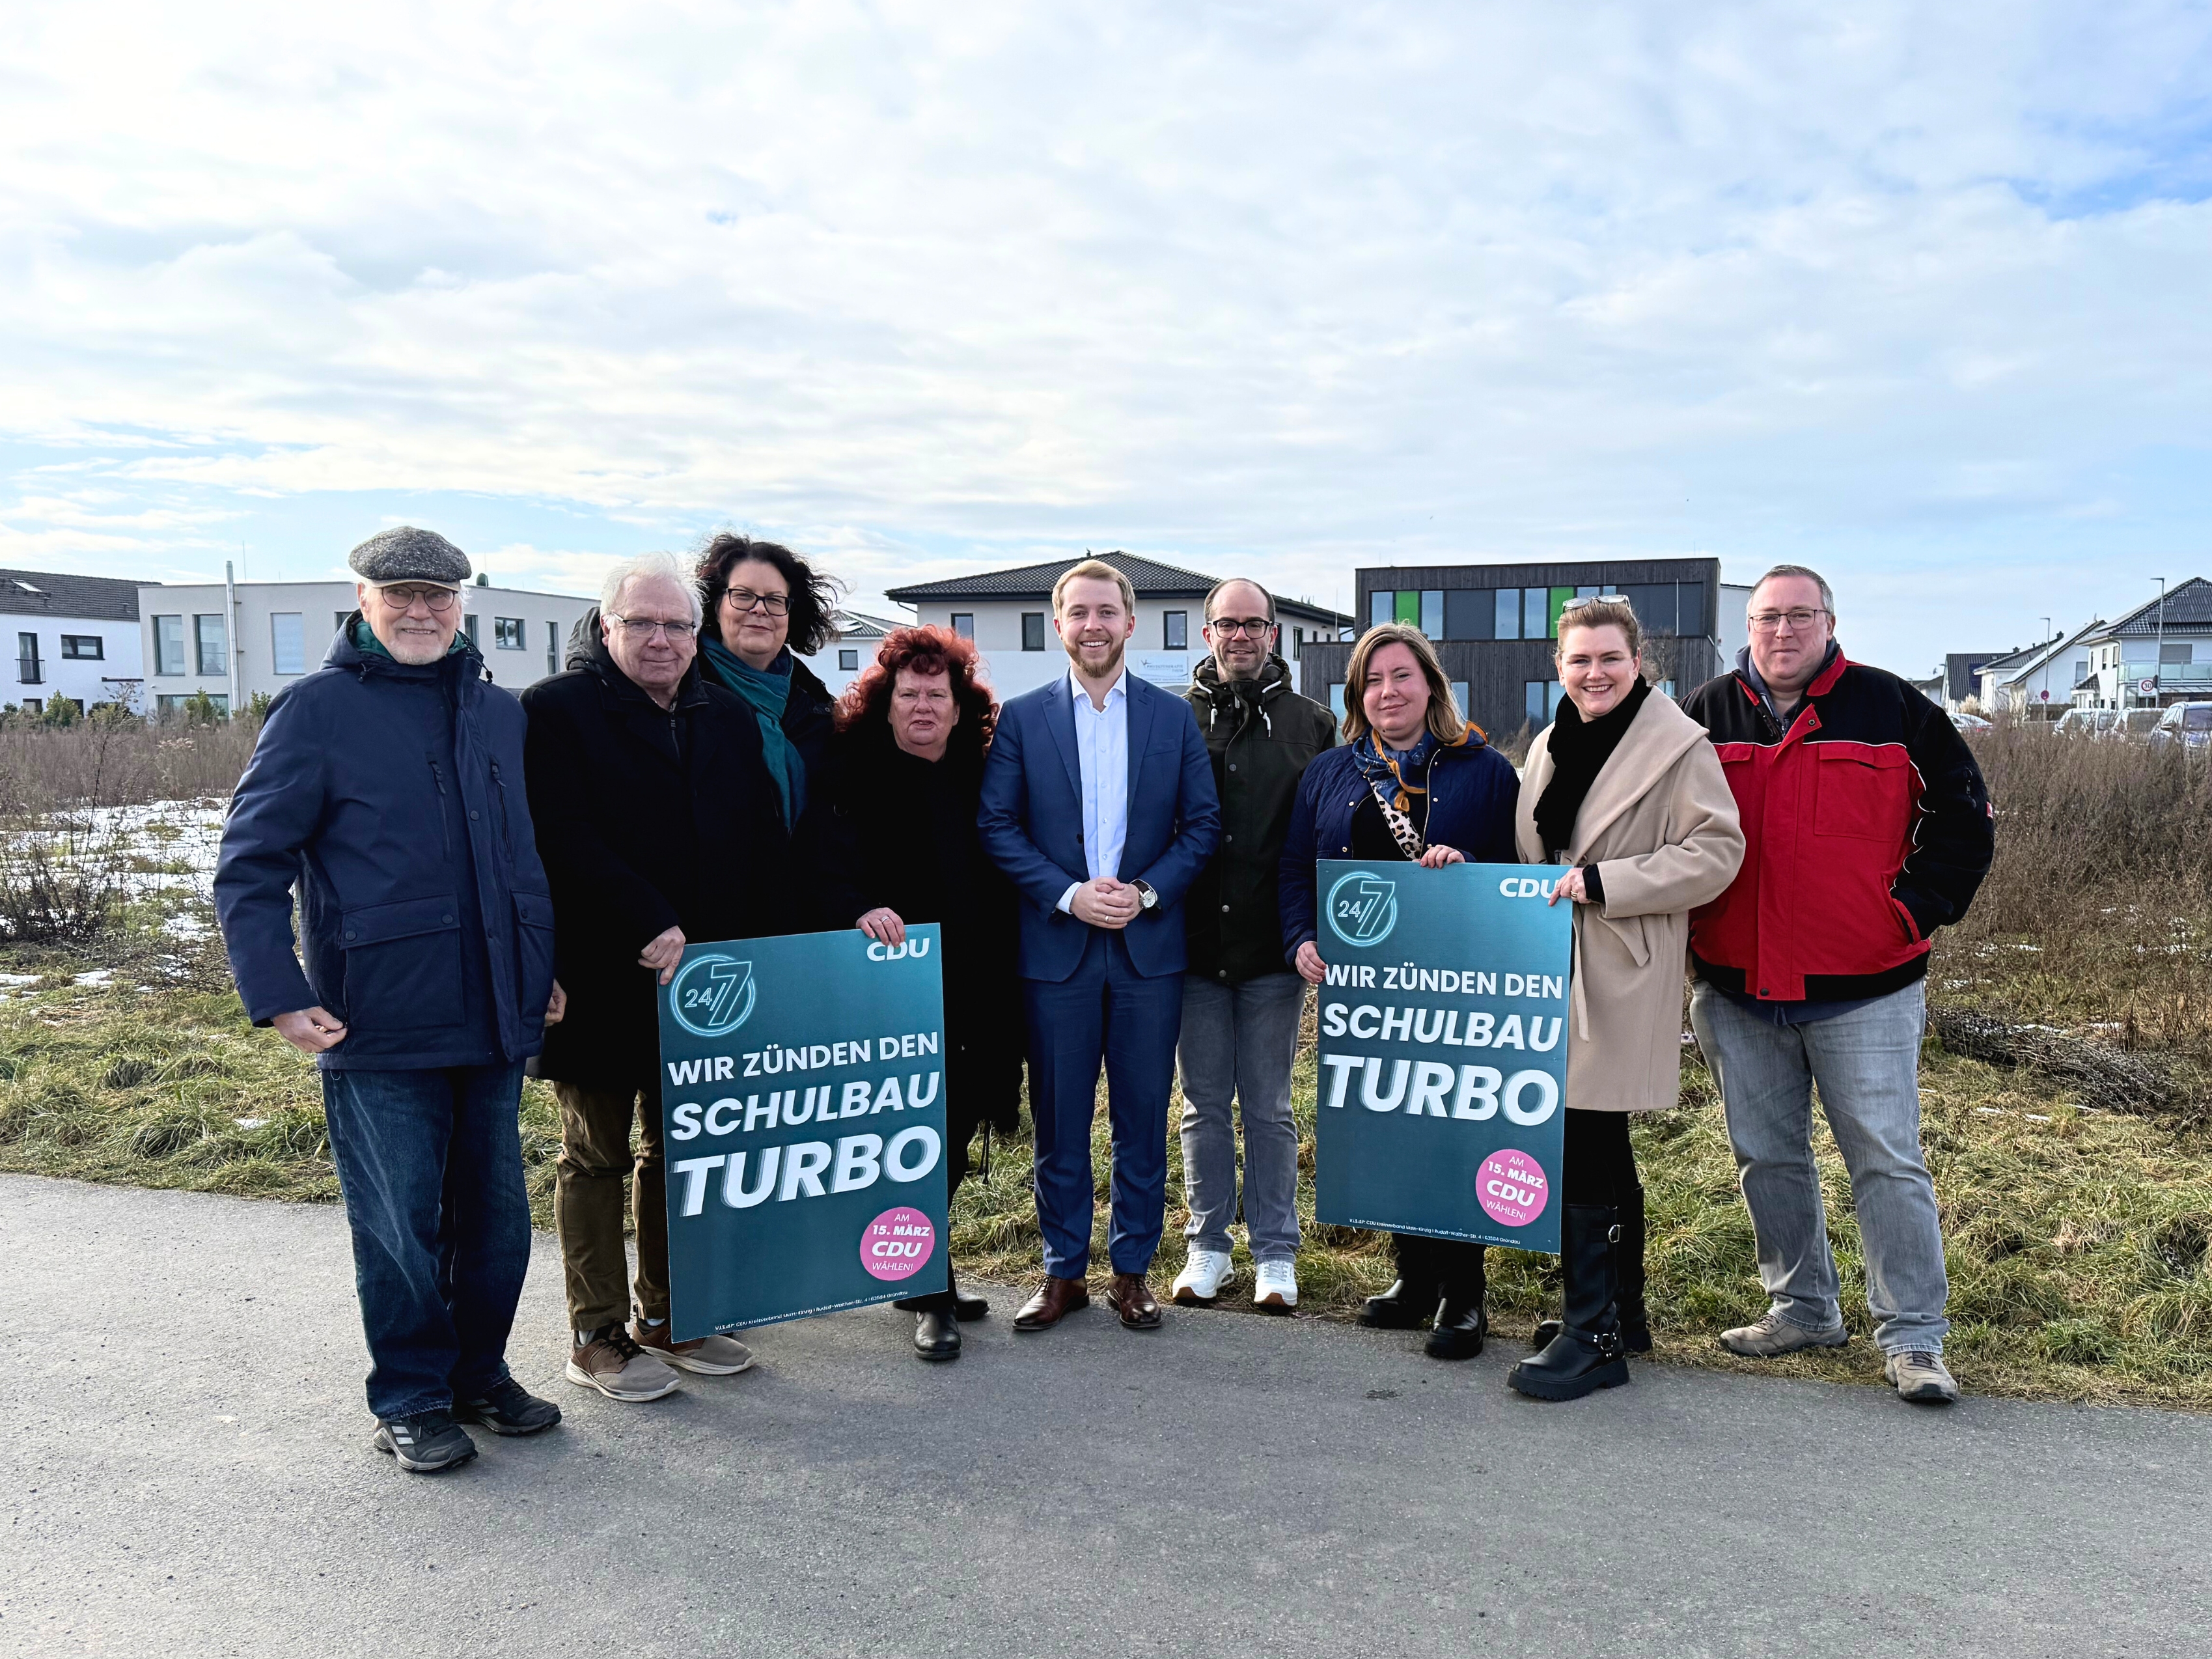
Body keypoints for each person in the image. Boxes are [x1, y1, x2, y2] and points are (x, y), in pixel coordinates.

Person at [215, 527, 566, 1474]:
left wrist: (545, 967)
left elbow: (519, 861)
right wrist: (279, 994)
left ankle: (478, 1375)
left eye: (438, 598)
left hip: (495, 1008)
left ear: (463, 606)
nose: (420, 612)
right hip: (377, 1014)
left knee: (496, 1217)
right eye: (399, 595)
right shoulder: (316, 711)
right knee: (400, 1221)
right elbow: (249, 867)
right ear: (362, 601)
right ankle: (409, 1395)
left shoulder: (499, 713)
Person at [1683, 565, 1994, 1405]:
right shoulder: (1700, 715)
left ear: (1828, 622)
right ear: (1744, 629)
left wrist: (1910, 912)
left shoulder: (1891, 707)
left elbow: (1965, 814)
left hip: (1865, 986)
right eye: (1765, 618)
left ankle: (1914, 1338)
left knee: (1886, 1162)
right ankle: (1801, 1307)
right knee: (1766, 1158)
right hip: (1737, 986)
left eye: (1798, 616)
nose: (1781, 632)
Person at [522, 553, 801, 1402]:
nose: (660, 640)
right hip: (598, 974)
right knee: (596, 1155)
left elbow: (758, 839)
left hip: (703, 983)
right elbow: (559, 835)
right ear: (604, 627)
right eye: (640, 623)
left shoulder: (717, 717)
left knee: (679, 1153)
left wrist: (773, 952)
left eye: (676, 625)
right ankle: (596, 1333)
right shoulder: (555, 712)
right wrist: (643, 915)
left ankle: (669, 1315)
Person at [1506, 598, 1745, 1401]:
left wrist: (1609, 882)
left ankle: (1593, 1333)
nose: (1594, 672)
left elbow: (1717, 850)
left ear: (1636, 660)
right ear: (1558, 667)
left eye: (1608, 658)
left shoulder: (1676, 744)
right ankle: (1616, 1312)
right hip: (1554, 960)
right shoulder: (1548, 743)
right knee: (1591, 1134)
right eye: (1578, 660)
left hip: (1619, 955)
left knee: (1584, 1133)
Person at [977, 559, 1221, 1333]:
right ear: (1059, 625)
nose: (1093, 624)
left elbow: (1203, 825)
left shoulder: (1170, 715)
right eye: (1077, 612)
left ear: (1129, 622)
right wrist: (1067, 892)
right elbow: (996, 824)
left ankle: (1130, 1271)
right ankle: (1060, 1272)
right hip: (1056, 949)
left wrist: (1144, 892)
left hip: (1148, 948)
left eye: (1106, 611)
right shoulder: (1021, 718)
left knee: (1143, 1117)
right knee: (1058, 1119)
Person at [1280, 622, 1518, 1360]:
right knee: (1394, 1122)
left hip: (1457, 981)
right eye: (1372, 680)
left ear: (1430, 684)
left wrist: (1468, 862)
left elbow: (1516, 872)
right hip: (1369, 987)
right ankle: (1412, 1278)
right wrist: (1301, 940)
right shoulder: (1329, 772)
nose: (1388, 691)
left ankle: (1463, 1293)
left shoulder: (1483, 769)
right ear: (1357, 694)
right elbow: (1295, 868)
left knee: (1455, 1122)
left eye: (1401, 676)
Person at [814, 626, 1025, 1361]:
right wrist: (858, 907)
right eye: (910, 693)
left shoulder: (981, 772)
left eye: (938, 693)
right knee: (910, 1139)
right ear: (887, 702)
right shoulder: (851, 773)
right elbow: (822, 866)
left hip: (977, 984)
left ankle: (918, 1267)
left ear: (960, 707)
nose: (924, 705)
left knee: (956, 1132)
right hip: (890, 989)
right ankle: (926, 1288)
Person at [1172, 578, 1338, 1311]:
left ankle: (1275, 1250)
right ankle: (1208, 1245)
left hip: (1274, 950)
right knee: (1203, 1105)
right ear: (1206, 634)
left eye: (1253, 624)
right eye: (1225, 624)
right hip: (1191, 947)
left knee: (1268, 1107)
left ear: (1275, 634)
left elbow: (1331, 834)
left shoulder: (1313, 723)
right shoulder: (1173, 718)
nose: (1239, 636)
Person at [692, 533, 840, 830]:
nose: (759, 609)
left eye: (774, 600)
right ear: (716, 606)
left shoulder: (819, 709)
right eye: (743, 595)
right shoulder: (681, 696)